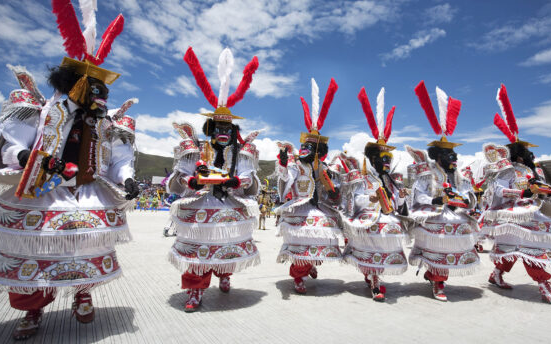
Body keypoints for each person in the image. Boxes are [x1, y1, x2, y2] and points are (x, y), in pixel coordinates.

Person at [0, 0, 139, 339]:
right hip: (40, 192)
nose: (102, 97)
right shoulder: (39, 110)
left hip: (86, 193)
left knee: (83, 247)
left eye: (104, 90)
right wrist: (30, 159)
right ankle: (32, 310)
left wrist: (128, 178)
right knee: (36, 252)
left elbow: (117, 161)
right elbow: (5, 147)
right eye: (96, 89)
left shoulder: (106, 124)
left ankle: (82, 295)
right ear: (75, 84)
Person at [166, 47, 261, 311]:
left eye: (227, 128)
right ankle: (195, 290)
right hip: (200, 205)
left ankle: (225, 273)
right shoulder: (195, 150)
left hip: (229, 205)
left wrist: (236, 183)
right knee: (198, 250)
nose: (222, 132)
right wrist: (191, 183)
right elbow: (178, 178)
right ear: (210, 129)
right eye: (218, 128)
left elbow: (249, 179)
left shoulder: (241, 154)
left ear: (233, 131)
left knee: (225, 244)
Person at [480, 84, 551, 304]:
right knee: (531, 249)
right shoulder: (508, 170)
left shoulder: (535, 170)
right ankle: (544, 286)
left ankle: (497, 274)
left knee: (522, 249)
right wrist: (524, 191)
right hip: (515, 214)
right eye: (528, 152)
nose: (532, 155)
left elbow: (541, 190)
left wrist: (546, 192)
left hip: (534, 211)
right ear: (519, 156)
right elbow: (498, 191)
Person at [405, 83, 479, 301]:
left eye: (454, 155)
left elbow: (468, 193)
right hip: (435, 215)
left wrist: (466, 200)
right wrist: (437, 199)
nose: (454, 159)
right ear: (437, 156)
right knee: (439, 244)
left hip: (455, 215)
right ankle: (438, 282)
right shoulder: (427, 174)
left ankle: (436, 276)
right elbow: (417, 195)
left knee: (454, 241)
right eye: (449, 155)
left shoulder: (459, 176)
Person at [340, 87, 409, 302]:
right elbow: (355, 199)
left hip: (388, 217)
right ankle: (375, 280)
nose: (387, 163)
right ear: (374, 160)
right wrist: (370, 199)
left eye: (389, 159)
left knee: (386, 242)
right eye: (383, 160)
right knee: (373, 245)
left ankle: (373, 276)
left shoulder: (391, 179)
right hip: (370, 218)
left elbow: (396, 202)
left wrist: (403, 195)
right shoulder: (364, 177)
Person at [275, 78, 343, 294]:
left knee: (322, 234)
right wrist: (284, 164)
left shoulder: (325, 167)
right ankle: (298, 275)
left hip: (319, 206)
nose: (306, 150)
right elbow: (286, 177)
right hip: (300, 207)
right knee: (303, 237)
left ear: (319, 151)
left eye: (311, 147)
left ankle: (311, 263)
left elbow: (334, 188)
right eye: (305, 146)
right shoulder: (296, 165)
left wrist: (334, 192)